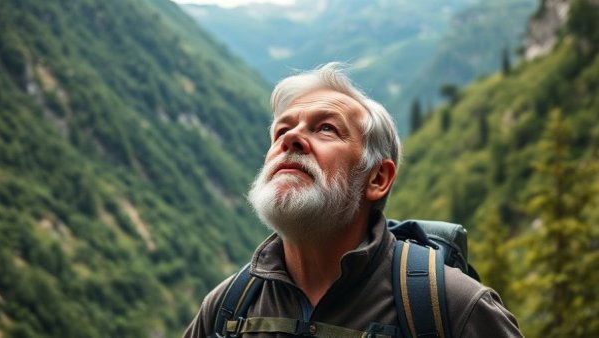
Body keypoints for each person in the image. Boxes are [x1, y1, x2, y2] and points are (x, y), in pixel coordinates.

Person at [183, 62, 523, 338]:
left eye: (326, 128)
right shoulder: (228, 307)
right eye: (281, 131)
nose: (292, 139)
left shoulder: (453, 307)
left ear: (377, 179)